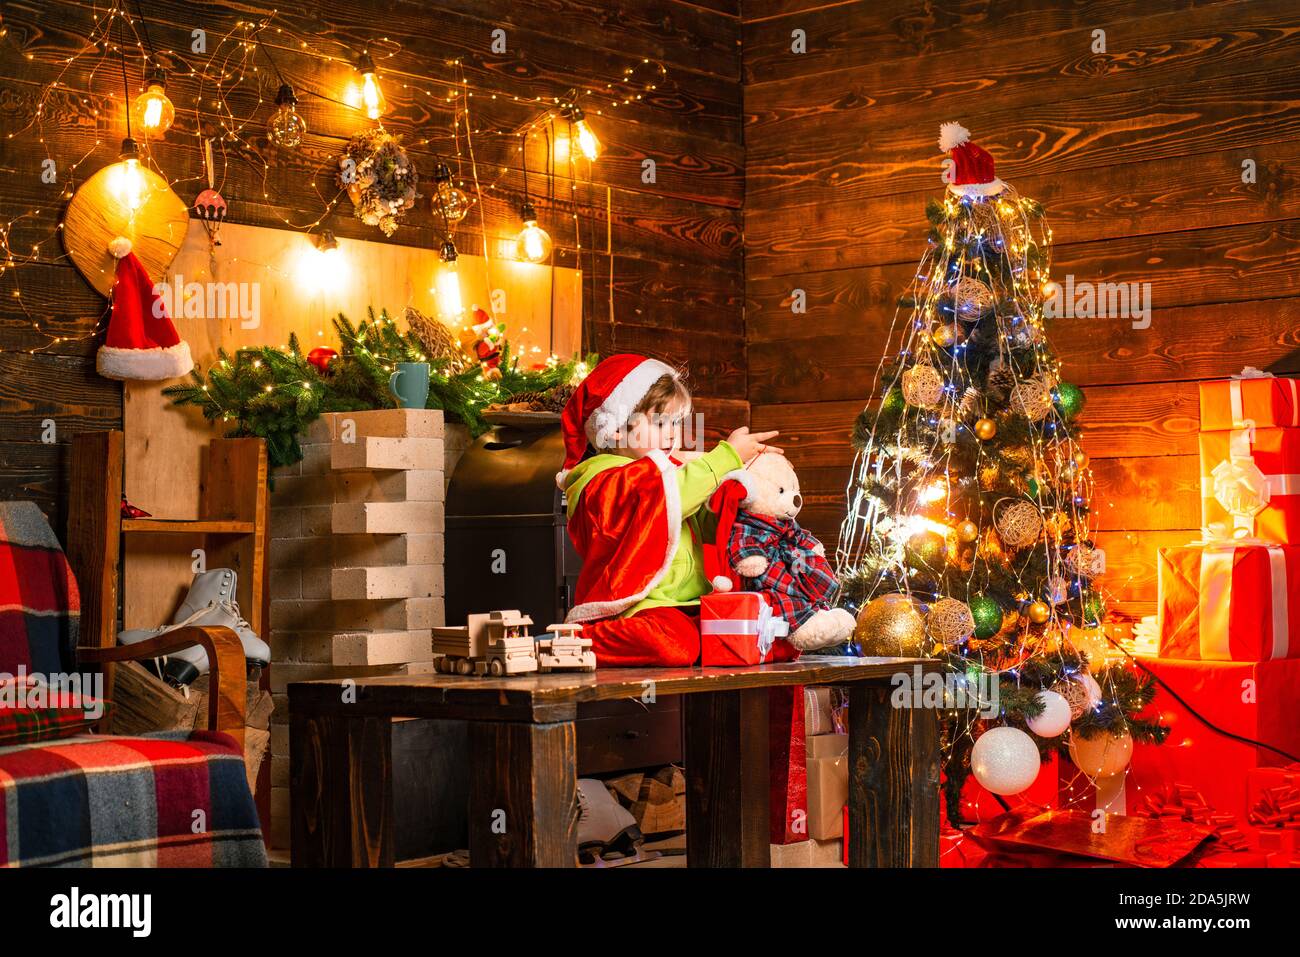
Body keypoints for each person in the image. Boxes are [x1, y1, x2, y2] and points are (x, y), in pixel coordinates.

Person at [558, 354, 780, 666]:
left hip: (688, 603)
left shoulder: (667, 473)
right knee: (674, 645)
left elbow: (697, 520)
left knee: (757, 635)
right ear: (617, 428)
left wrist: (737, 496)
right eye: (661, 423)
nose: (673, 433)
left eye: (676, 423)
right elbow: (663, 495)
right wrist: (725, 457)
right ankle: (578, 640)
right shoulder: (604, 480)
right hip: (638, 606)